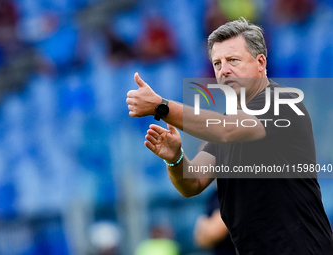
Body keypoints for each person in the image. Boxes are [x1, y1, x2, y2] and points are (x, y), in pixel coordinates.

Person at [126, 18, 333, 254]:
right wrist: (175, 158)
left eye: (233, 60)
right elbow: (192, 183)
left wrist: (161, 107)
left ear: (260, 62)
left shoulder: (282, 103)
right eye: (217, 63)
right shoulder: (227, 121)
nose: (223, 70)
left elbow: (225, 130)